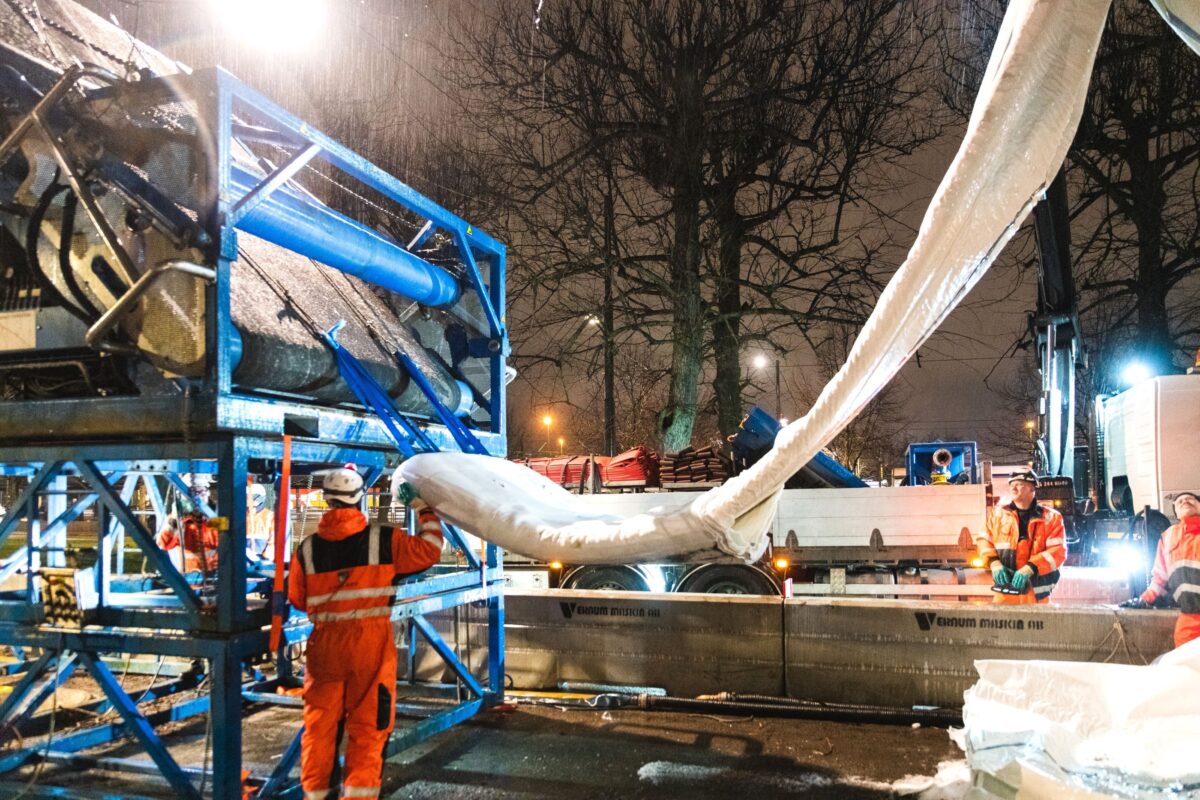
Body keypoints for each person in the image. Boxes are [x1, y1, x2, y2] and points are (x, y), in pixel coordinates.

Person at [288, 466, 444, 800]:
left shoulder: (307, 550)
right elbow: (430, 548)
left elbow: (298, 599)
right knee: (369, 729)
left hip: (324, 648)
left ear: (327, 501)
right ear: (360, 499)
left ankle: (315, 796)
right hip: (369, 648)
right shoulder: (384, 540)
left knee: (320, 729)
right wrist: (421, 507)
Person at [1119, 491, 1200, 648]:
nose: (1185, 501)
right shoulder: (1168, 537)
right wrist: (1144, 600)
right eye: (1180, 501)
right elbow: (1160, 579)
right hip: (1188, 621)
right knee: (1187, 669)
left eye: (1191, 499)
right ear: (1175, 512)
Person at [976, 470, 1066, 604]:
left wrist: (1031, 568)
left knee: (1036, 624)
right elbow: (984, 540)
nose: (1013, 487)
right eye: (1011, 484)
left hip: (1036, 592)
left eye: (1019, 484)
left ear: (1032, 488)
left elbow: (1058, 551)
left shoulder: (1052, 517)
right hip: (1005, 591)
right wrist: (994, 562)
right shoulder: (997, 515)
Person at [155, 475, 219, 574]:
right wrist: (175, 520)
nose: (198, 497)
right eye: (193, 493)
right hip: (189, 582)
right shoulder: (178, 522)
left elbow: (229, 542)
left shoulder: (216, 519)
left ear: (207, 494)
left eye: (201, 492)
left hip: (216, 579)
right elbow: (163, 544)